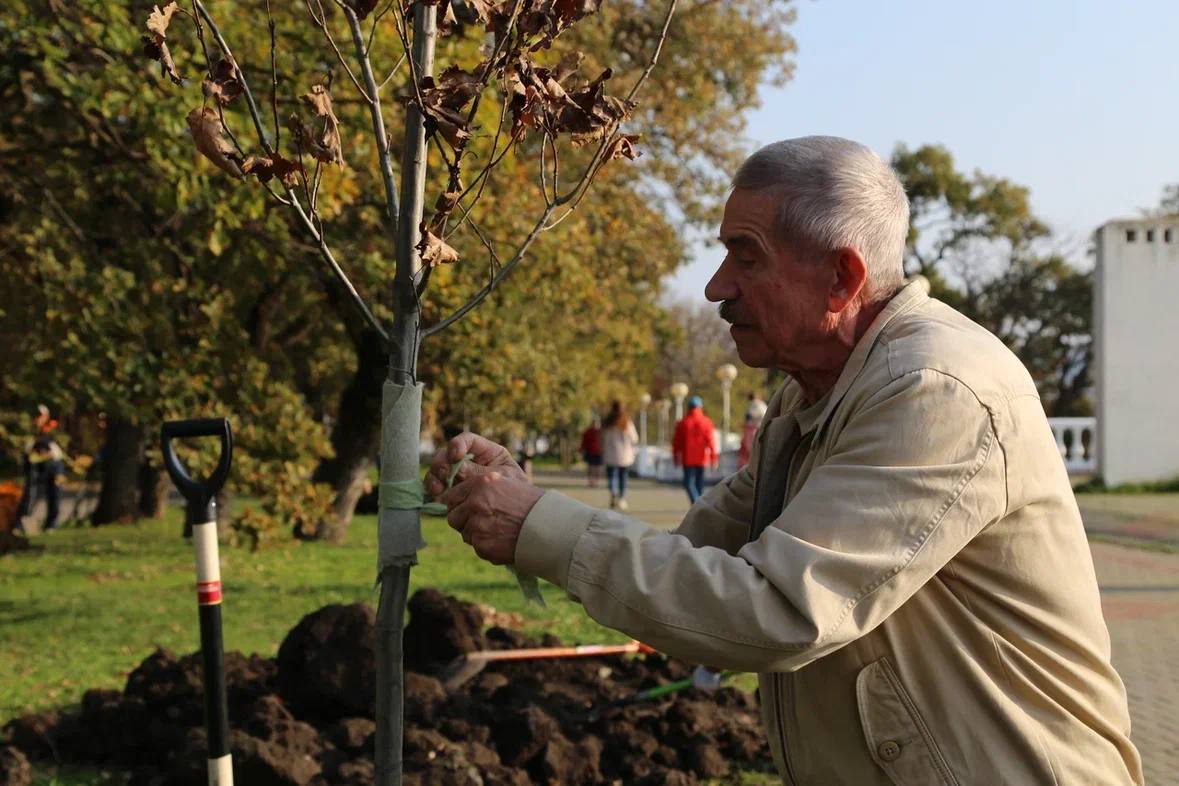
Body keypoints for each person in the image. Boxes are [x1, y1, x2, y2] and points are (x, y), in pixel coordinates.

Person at [427, 136, 1141, 784]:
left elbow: (777, 612)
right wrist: (522, 501)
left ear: (840, 276)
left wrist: (540, 526)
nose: (715, 287)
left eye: (746, 255)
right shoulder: (816, 395)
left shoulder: (932, 390)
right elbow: (693, 562)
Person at [671, 395, 717, 503]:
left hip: (688, 459)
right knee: (699, 484)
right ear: (700, 407)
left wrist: (675, 458)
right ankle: (699, 506)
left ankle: (697, 504)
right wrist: (713, 457)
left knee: (688, 483)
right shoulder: (707, 422)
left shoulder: (683, 423)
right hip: (702, 459)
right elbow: (711, 442)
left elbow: (676, 443)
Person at [600, 400, 639, 510]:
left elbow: (602, 439)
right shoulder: (627, 422)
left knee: (612, 476)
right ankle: (621, 498)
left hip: (610, 455)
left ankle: (613, 493)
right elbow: (635, 439)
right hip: (625, 456)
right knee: (623, 477)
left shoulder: (606, 423)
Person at [738, 391, 767, 468]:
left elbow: (751, 417)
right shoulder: (761, 405)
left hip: (755, 429)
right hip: (758, 429)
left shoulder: (756, 405)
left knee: (752, 450)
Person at [578, 416, 603, 487]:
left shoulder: (602, 431)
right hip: (591, 452)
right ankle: (591, 482)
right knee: (591, 467)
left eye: (597, 422)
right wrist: (581, 449)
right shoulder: (588, 431)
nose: (596, 424)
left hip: (600, 452)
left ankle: (596, 482)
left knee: (598, 468)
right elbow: (584, 441)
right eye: (594, 422)